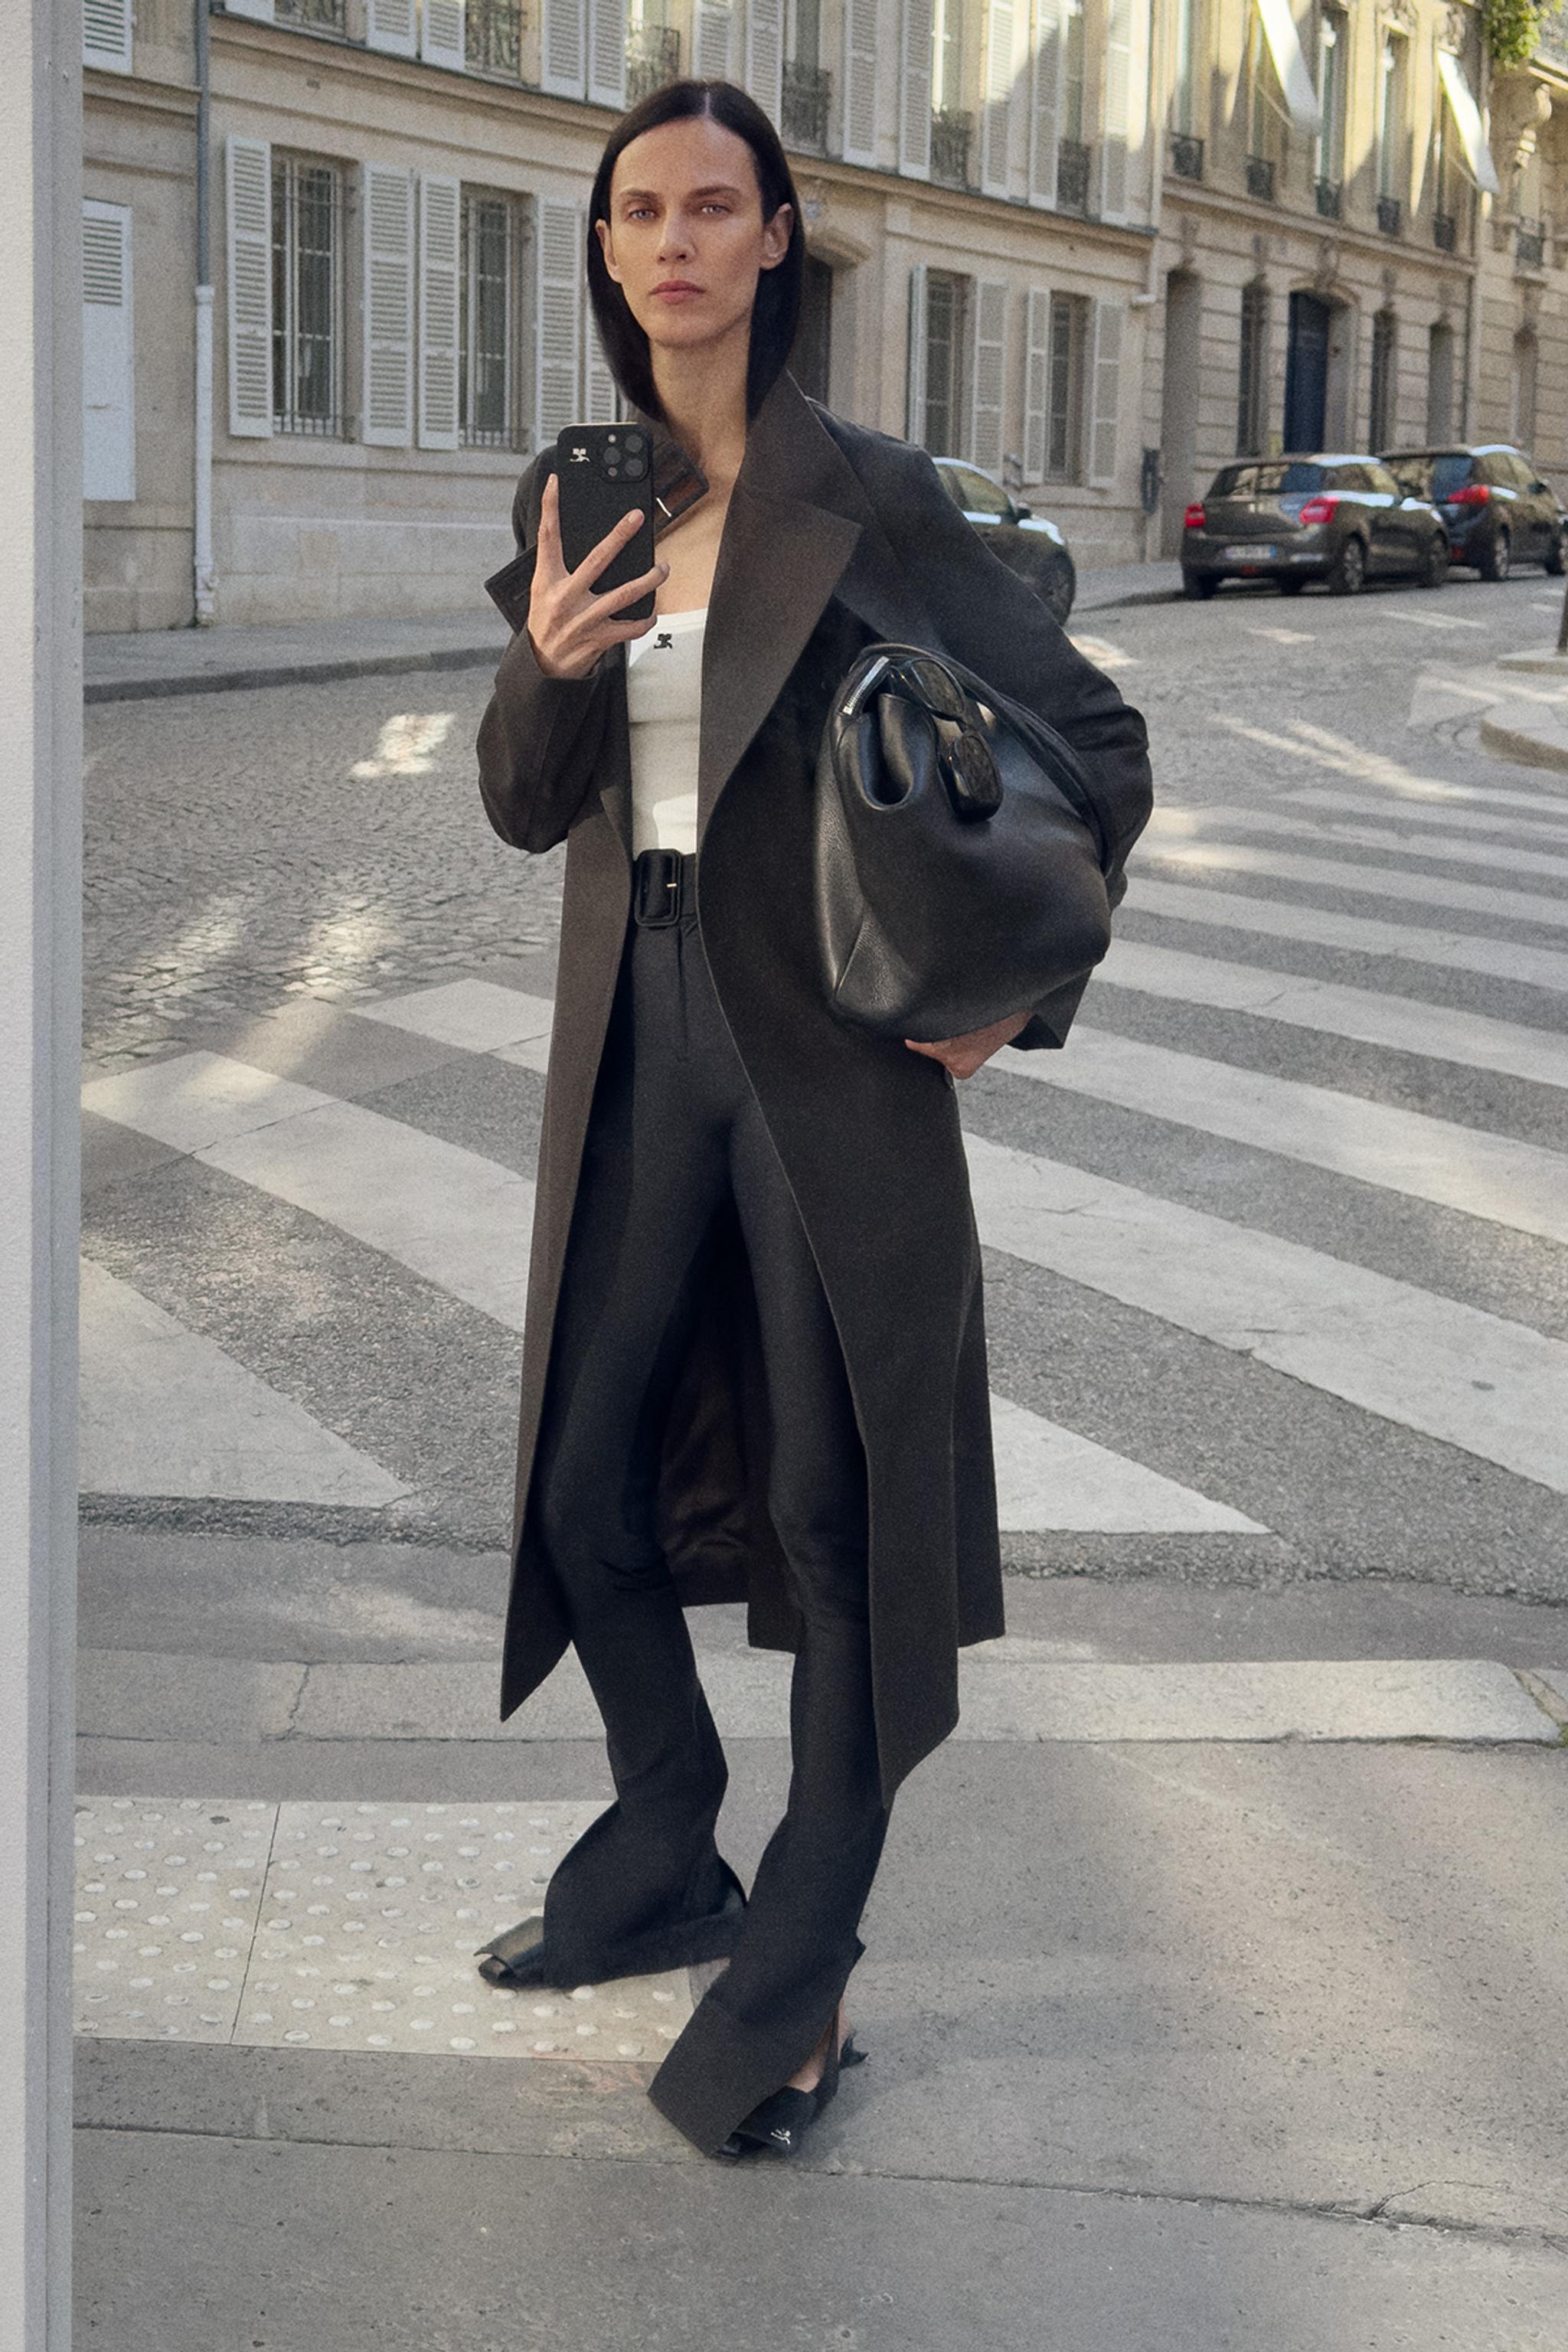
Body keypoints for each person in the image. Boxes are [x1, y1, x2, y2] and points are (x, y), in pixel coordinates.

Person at [472, 76, 1152, 2162]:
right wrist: (551, 661)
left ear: (777, 239)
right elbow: (525, 804)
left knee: (843, 1519)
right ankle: (667, 1837)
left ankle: (801, 1976)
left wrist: (1017, 992)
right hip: (637, 1036)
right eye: (638, 211)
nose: (675, 241)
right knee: (580, 1489)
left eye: (714, 207)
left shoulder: (872, 490)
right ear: (605, 252)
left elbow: (1098, 743)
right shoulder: (575, 492)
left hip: (827, 1057)